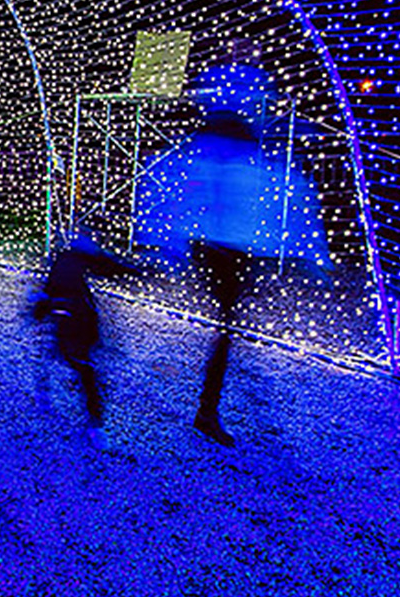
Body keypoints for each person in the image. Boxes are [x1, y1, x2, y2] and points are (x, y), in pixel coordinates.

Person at [136, 62, 331, 447]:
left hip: (222, 246)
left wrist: (167, 244)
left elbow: (172, 189)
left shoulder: (219, 149)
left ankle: (209, 404)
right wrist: (311, 254)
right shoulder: (231, 150)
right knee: (227, 323)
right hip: (221, 247)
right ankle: (207, 409)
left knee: (228, 321)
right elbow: (287, 196)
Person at [34, 228, 138, 446]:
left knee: (78, 365)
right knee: (82, 367)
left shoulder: (72, 258)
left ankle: (89, 418)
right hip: (74, 324)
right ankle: (94, 423)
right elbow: (110, 269)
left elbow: (110, 269)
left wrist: (40, 306)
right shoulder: (72, 260)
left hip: (79, 323)